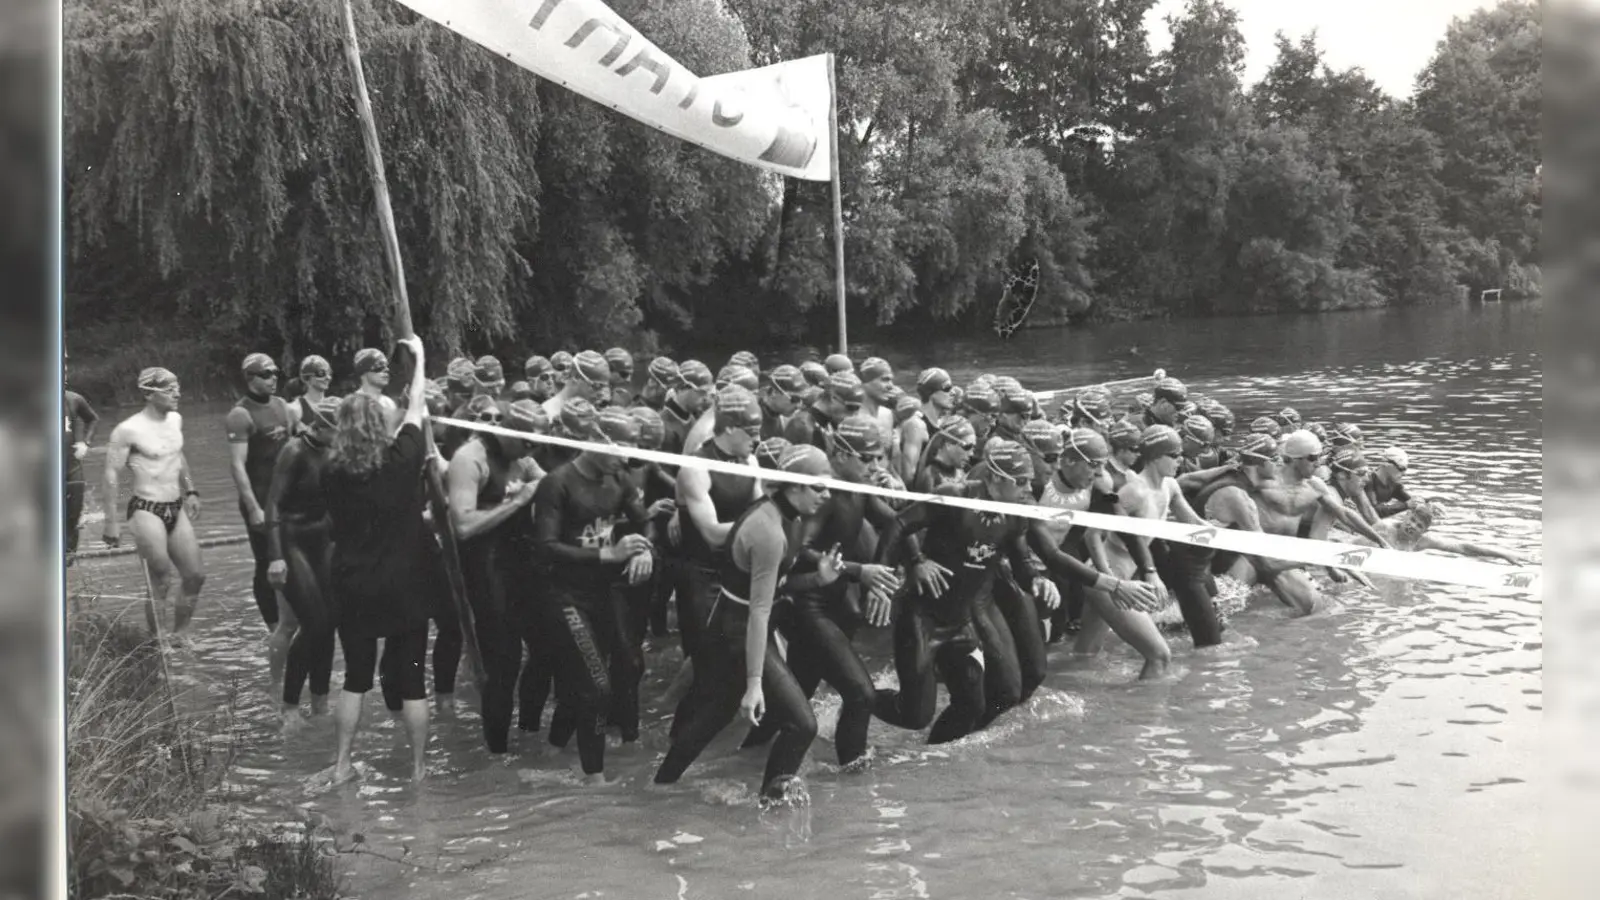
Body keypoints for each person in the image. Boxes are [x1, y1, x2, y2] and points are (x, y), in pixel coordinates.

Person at [654, 445, 833, 804]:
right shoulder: (769, 531)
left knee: (716, 714)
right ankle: (771, 807)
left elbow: (775, 588)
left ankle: (658, 788)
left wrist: (818, 579)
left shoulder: (787, 516)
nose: (826, 495)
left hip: (731, 624)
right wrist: (754, 684)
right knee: (803, 724)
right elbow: (759, 612)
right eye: (818, 487)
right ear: (794, 486)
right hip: (739, 631)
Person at [741, 415, 902, 769]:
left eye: (880, 457)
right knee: (860, 694)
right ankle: (853, 778)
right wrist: (861, 572)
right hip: (807, 606)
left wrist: (892, 569)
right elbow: (798, 552)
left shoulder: (859, 487)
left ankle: (741, 758)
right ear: (841, 455)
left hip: (833, 602)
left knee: (797, 696)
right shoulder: (822, 496)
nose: (875, 466)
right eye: (867, 458)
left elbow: (895, 520)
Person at [871, 440, 1051, 742]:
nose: (1027, 489)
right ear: (995, 477)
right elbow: (898, 524)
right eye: (1019, 482)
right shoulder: (955, 496)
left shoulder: (1014, 514)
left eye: (1028, 481)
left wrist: (1037, 580)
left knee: (991, 698)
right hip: (921, 617)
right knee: (915, 716)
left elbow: (1021, 562)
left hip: (959, 621)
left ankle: (934, 758)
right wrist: (913, 563)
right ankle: (861, 699)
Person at [319, 335, 432, 785]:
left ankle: (343, 763)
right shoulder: (403, 458)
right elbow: (418, 405)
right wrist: (419, 359)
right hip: (405, 581)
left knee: (356, 677)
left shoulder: (331, 470)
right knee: (412, 680)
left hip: (354, 581)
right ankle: (420, 770)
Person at [532, 407, 657, 784]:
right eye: (622, 447)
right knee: (597, 687)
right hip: (563, 596)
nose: (627, 456)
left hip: (601, 594)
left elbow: (645, 520)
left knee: (602, 677)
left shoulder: (618, 479)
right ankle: (594, 780)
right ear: (596, 441)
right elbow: (546, 547)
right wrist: (610, 554)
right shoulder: (558, 483)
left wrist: (646, 549)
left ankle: (552, 751)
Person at [448, 396, 544, 754]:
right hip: (484, 566)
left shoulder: (523, 454)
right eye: (525, 442)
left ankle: (530, 733)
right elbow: (463, 525)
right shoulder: (469, 459)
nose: (529, 450)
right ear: (506, 431)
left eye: (535, 444)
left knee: (544, 649)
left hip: (520, 562)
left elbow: (549, 485)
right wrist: (517, 502)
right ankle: (497, 753)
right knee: (503, 661)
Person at [1205, 430, 1392, 614]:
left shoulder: (1315, 485)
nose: (1318, 463)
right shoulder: (1264, 480)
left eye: (1319, 457)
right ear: (1296, 459)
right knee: (1224, 607)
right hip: (1250, 556)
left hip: (1281, 559)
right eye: (1312, 458)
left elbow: (1344, 514)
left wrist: (1380, 541)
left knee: (1314, 607)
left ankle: (1275, 635)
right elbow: (1217, 487)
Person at [102, 367, 205, 642]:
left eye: (178, 387)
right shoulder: (128, 430)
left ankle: (180, 636)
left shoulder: (175, 420)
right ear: (149, 393)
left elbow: (177, 454)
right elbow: (112, 474)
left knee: (195, 575)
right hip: (146, 508)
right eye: (170, 389)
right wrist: (111, 522)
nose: (177, 393)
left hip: (176, 506)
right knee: (161, 577)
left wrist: (191, 489)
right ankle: (158, 643)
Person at [265, 395, 341, 731]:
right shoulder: (293, 451)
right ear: (321, 426)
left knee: (330, 623)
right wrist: (276, 556)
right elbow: (273, 507)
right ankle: (290, 706)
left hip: (322, 538)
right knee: (314, 623)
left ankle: (320, 702)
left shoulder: (333, 451)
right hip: (293, 539)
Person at [225, 352, 298, 702]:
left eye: (276, 372)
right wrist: (253, 506)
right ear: (249, 378)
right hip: (259, 499)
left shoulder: (284, 406)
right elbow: (238, 467)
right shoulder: (240, 415)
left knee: (289, 558)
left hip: (286, 500)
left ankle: (288, 619)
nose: (273, 378)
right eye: (265, 374)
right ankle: (274, 625)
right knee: (266, 562)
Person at [63, 352, 99, 557]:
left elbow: (93, 419)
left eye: (65, 371)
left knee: (72, 519)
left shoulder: (74, 399)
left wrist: (85, 442)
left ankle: (69, 557)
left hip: (72, 468)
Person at [898, 368, 954, 485]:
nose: (952, 392)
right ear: (931, 393)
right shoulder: (916, 425)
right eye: (947, 388)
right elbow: (908, 474)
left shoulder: (940, 423)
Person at [542, 350, 610, 421]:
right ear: (575, 377)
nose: (601, 393)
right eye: (597, 386)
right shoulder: (548, 415)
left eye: (604, 387)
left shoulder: (591, 415)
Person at [1366, 447, 1414, 517]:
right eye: (1401, 468)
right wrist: (1405, 505)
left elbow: (1411, 501)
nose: (1404, 473)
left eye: (1405, 469)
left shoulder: (1395, 485)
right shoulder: (1368, 481)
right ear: (1386, 464)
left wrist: (1426, 503)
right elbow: (1373, 511)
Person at [288, 355, 332, 426]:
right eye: (321, 373)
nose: (328, 377)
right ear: (306, 378)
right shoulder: (295, 408)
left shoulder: (332, 405)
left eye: (329, 373)